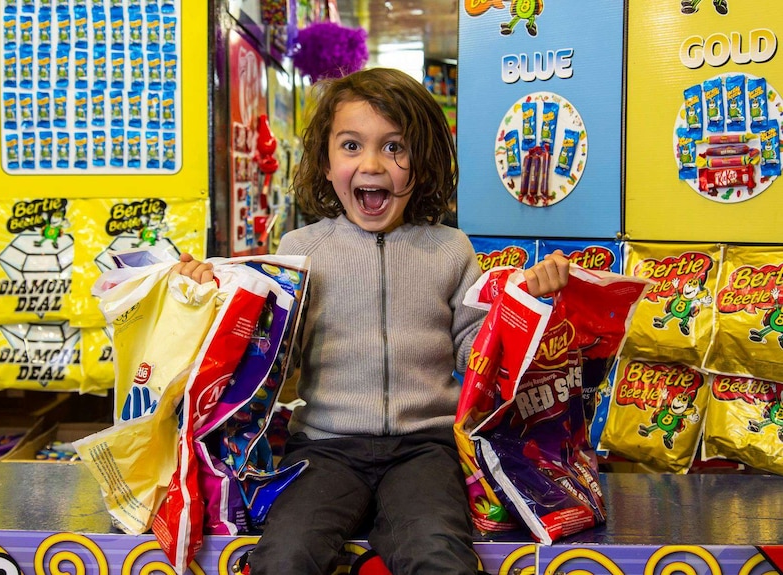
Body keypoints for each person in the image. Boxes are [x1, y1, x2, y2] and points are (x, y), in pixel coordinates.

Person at [174, 67, 569, 575]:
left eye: (394, 147)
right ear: (325, 161)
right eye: (351, 145)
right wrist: (211, 301)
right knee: (285, 557)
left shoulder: (450, 249)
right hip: (325, 447)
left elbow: (478, 353)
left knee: (439, 557)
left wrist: (528, 308)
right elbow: (275, 359)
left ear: (421, 163)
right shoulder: (301, 251)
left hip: (425, 449)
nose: (373, 164)